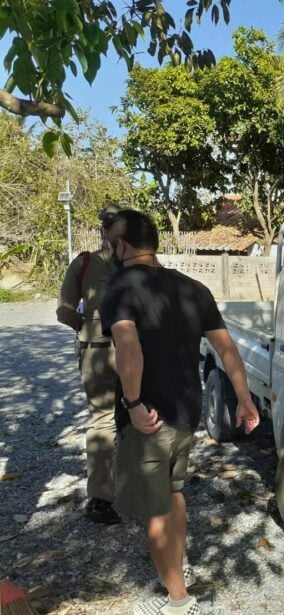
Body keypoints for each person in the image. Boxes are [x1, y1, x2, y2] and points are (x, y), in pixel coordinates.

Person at [100, 209, 260, 615]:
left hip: (149, 417)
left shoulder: (118, 285)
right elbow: (227, 349)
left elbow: (128, 346)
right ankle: (177, 569)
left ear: (121, 245)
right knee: (173, 493)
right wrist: (245, 399)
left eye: (111, 243)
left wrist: (133, 404)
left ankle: (177, 601)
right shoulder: (193, 288)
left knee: (155, 510)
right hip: (187, 411)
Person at [56, 203, 123, 525]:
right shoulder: (139, 263)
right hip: (135, 351)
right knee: (140, 414)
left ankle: (100, 499)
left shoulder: (84, 263)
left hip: (95, 352)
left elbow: (63, 311)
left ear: (102, 231)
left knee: (102, 421)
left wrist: (85, 325)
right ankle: (146, 490)